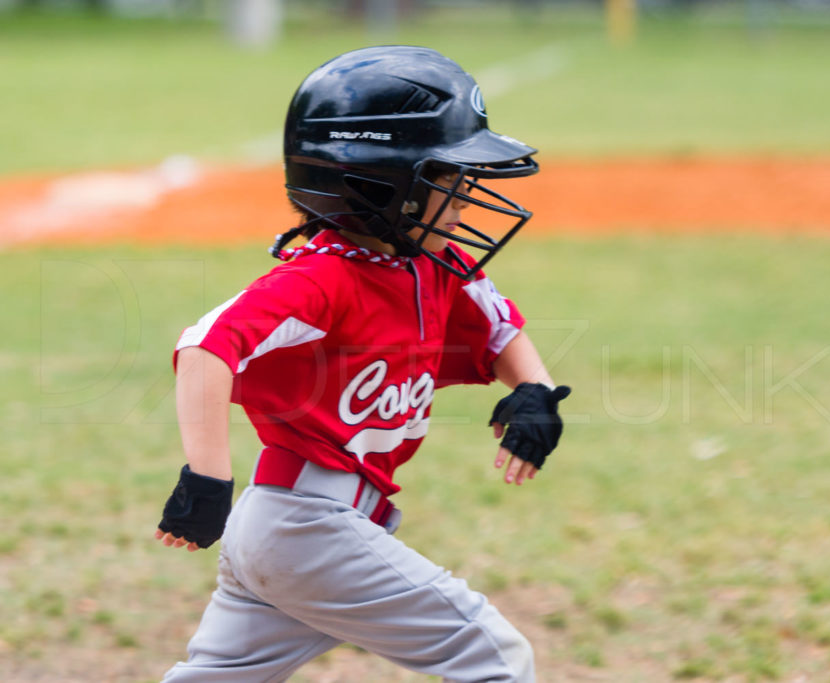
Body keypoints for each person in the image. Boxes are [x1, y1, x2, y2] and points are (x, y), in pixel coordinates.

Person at [153, 45, 571, 683]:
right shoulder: (321, 278)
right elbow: (207, 346)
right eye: (447, 183)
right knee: (493, 654)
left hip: (301, 530)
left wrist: (535, 392)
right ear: (381, 184)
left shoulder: (430, 265)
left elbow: (498, 328)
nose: (463, 204)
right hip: (305, 527)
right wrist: (207, 478)